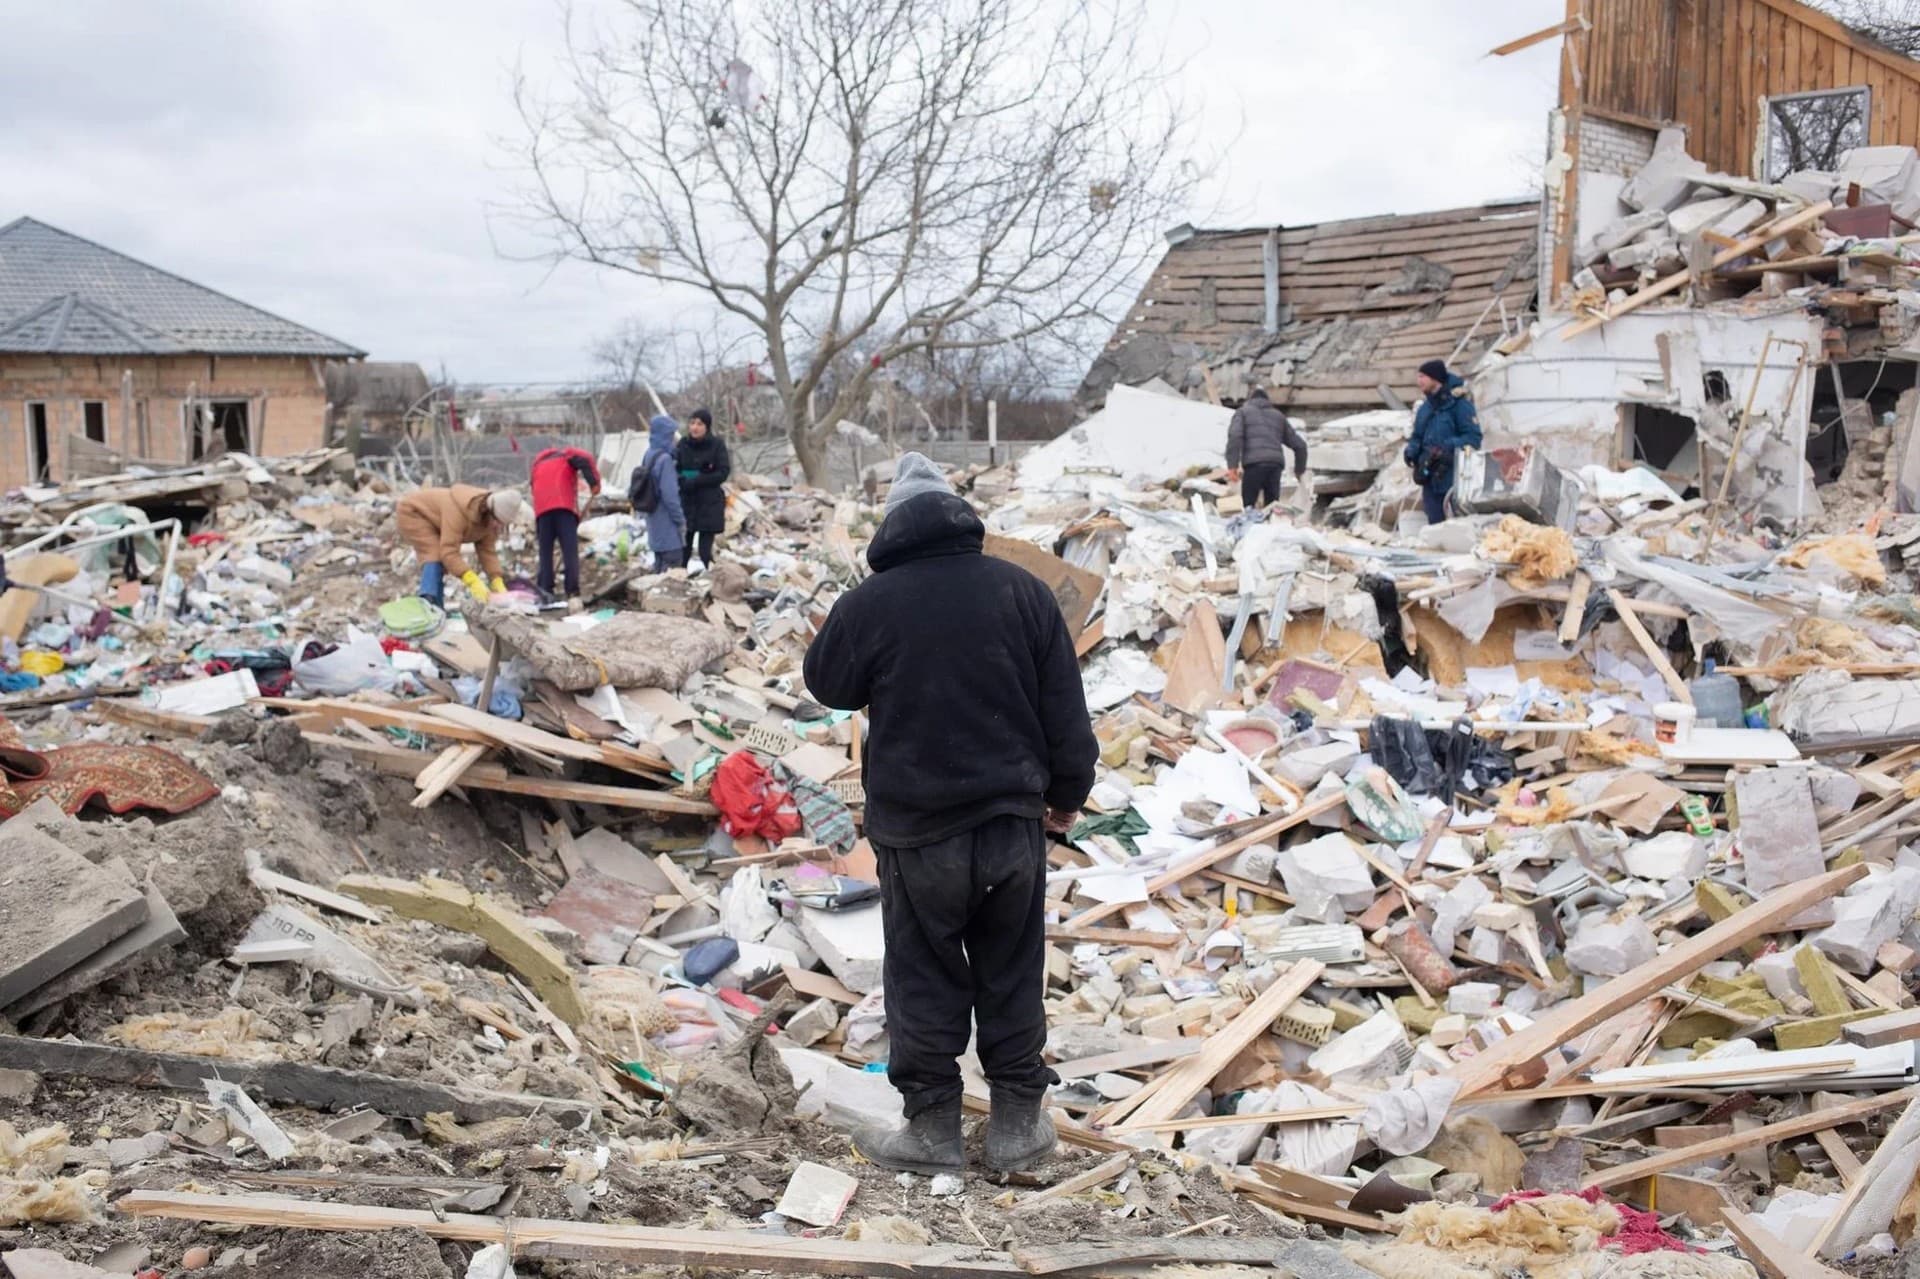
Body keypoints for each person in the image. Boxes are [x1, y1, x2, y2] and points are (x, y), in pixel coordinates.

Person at [802, 453, 1098, 1176]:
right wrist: (1067, 796)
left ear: (892, 528)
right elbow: (1068, 714)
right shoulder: (1023, 592)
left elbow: (826, 682)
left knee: (924, 971)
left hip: (919, 832)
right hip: (1011, 827)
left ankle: (933, 1132)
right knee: (1012, 966)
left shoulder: (872, 602)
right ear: (961, 517)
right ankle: (1017, 1131)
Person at [394, 485, 519, 606]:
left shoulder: (490, 521)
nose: (498, 526)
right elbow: (449, 551)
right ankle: (427, 602)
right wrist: (471, 579)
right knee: (434, 555)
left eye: (502, 524)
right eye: (497, 521)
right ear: (489, 512)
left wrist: (496, 579)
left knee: (439, 561)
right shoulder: (458, 512)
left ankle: (437, 608)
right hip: (414, 513)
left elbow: (487, 552)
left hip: (435, 519)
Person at [1405, 358, 1482, 525]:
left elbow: (1473, 438)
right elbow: (1417, 435)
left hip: (1454, 477)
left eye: (1422, 377)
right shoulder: (1425, 408)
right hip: (1430, 478)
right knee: (1435, 526)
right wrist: (1411, 451)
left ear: (1435, 378)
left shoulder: (1460, 405)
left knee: (1457, 526)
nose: (1419, 381)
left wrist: (1447, 447)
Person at [529, 444, 601, 608]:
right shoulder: (566, 455)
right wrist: (594, 483)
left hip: (542, 511)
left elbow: (533, 487)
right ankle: (572, 592)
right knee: (569, 551)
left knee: (545, 553)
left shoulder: (537, 464)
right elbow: (587, 459)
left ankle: (545, 590)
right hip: (563, 508)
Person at [1225, 386, 1309, 511]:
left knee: (1248, 507)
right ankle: (1272, 528)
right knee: (1272, 508)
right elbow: (1300, 445)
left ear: (1250, 400)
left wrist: (1232, 466)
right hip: (1275, 466)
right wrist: (1299, 471)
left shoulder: (1242, 412)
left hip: (1254, 465)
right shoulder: (1278, 416)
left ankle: (1251, 527)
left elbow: (1235, 437)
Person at [674, 408, 731, 568]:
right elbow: (676, 470)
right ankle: (681, 580)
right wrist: (692, 476)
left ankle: (711, 581)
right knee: (684, 549)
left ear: (707, 427)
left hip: (709, 504)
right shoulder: (683, 445)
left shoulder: (717, 445)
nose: (695, 427)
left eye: (699, 424)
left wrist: (697, 478)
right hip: (687, 503)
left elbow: (723, 472)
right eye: (692, 423)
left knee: (705, 552)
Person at [629, 414, 687, 572]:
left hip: (654, 527)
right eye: (671, 435)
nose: (674, 440)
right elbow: (670, 497)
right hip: (669, 531)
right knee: (670, 575)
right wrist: (681, 521)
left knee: (659, 569)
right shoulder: (665, 460)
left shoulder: (649, 454)